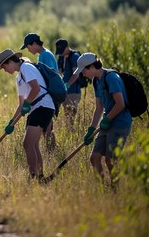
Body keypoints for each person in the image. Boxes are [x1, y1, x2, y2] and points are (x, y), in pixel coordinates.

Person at [0, 49, 55, 180]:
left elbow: (36, 89)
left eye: (4, 66)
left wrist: (28, 104)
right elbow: (22, 104)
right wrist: (11, 123)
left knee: (27, 144)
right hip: (36, 109)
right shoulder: (19, 78)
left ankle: (33, 176)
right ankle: (40, 176)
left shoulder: (26, 68)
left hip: (43, 106)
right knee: (33, 145)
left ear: (10, 62)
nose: (5, 70)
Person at [75, 53, 132, 183]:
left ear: (91, 67)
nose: (82, 74)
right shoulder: (96, 81)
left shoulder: (111, 78)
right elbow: (99, 108)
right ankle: (102, 188)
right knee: (94, 158)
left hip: (120, 123)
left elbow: (120, 104)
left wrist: (108, 119)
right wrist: (91, 130)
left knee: (110, 160)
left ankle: (114, 188)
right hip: (106, 123)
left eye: (83, 70)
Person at [20, 32, 58, 150]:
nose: (27, 49)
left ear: (35, 43)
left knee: (47, 128)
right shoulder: (42, 55)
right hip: (48, 94)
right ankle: (50, 150)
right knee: (46, 127)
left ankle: (52, 151)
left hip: (50, 94)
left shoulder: (44, 55)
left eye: (28, 46)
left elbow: (49, 75)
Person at [55, 38, 82, 125]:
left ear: (67, 47)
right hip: (65, 92)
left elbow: (76, 74)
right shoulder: (61, 57)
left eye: (62, 50)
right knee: (67, 117)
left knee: (71, 118)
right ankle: (69, 131)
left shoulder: (74, 56)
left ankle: (72, 133)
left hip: (73, 91)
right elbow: (59, 72)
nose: (61, 53)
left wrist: (67, 85)